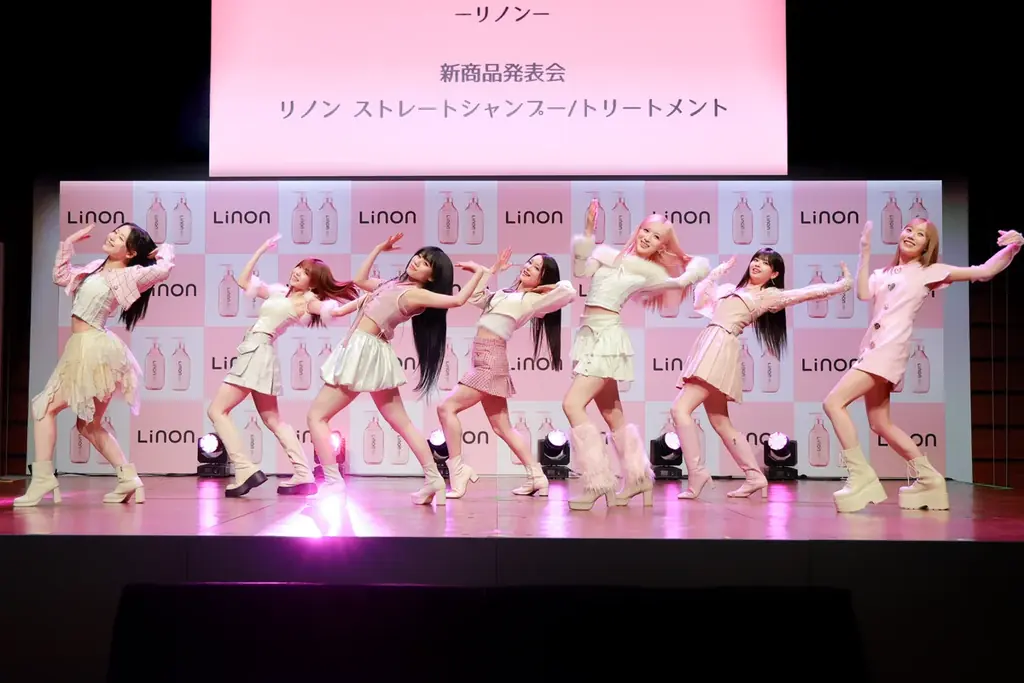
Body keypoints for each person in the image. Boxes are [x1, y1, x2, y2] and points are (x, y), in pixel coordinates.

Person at [825, 220, 1022, 513]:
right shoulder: (885, 273)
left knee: (833, 403)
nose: (911, 236)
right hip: (873, 349)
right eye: (909, 230)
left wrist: (1014, 246)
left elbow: (983, 271)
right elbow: (864, 293)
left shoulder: (929, 271)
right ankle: (930, 479)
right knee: (880, 424)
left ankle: (861, 475)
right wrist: (864, 251)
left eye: (920, 235)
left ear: (926, 247)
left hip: (889, 350)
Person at [307, 233, 489, 505]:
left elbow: (456, 301)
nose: (417, 261)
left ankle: (334, 482)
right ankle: (434, 479)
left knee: (316, 417)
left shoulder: (416, 294)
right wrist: (379, 247)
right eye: (419, 256)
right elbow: (360, 280)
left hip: (364, 352)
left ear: (432, 277)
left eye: (425, 263)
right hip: (368, 350)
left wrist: (480, 273)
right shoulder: (394, 283)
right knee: (401, 422)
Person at [563, 203, 711, 511]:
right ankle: (639, 478)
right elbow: (579, 270)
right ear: (637, 229)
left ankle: (597, 482)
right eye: (646, 230)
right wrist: (588, 231)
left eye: (656, 237)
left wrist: (693, 266)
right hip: (588, 335)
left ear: (661, 246)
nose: (647, 238)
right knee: (612, 415)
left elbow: (679, 282)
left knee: (572, 405)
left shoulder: (650, 272)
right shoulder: (607, 254)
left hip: (607, 340)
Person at [15, 222, 175, 507]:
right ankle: (128, 478)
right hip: (87, 347)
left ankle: (42, 479)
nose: (112, 236)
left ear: (130, 252)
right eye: (115, 231)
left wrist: (162, 251)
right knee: (88, 425)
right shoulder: (94, 269)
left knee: (43, 408)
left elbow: (163, 270)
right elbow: (61, 277)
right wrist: (68, 243)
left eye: (120, 237)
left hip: (93, 349)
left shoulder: (129, 275)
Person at [673, 249, 852, 500]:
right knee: (720, 422)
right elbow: (701, 297)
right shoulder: (730, 289)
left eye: (765, 263)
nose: (757, 264)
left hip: (719, 347)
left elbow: (805, 293)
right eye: (756, 260)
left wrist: (841, 285)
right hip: (710, 343)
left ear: (774, 274)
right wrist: (717, 272)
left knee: (679, 410)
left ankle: (697, 472)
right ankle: (755, 476)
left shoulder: (769, 296)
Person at [206, 234, 360, 498]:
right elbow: (243, 281)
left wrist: (364, 301)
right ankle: (303, 473)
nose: (297, 272)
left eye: (306, 272)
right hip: (258, 353)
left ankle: (244, 468)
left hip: (256, 353)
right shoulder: (279, 293)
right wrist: (262, 248)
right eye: (299, 267)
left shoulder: (306, 301)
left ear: (314, 282)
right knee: (273, 419)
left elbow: (334, 311)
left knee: (217, 410)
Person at [437, 247, 575, 499]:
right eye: (529, 262)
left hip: (491, 360)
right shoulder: (505, 293)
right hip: (482, 358)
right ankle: (538, 477)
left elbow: (568, 291)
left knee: (446, 408)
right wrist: (488, 270)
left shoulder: (532, 301)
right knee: (503, 427)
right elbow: (476, 298)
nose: (528, 267)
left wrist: (543, 289)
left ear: (543, 278)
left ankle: (458, 472)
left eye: (536, 268)